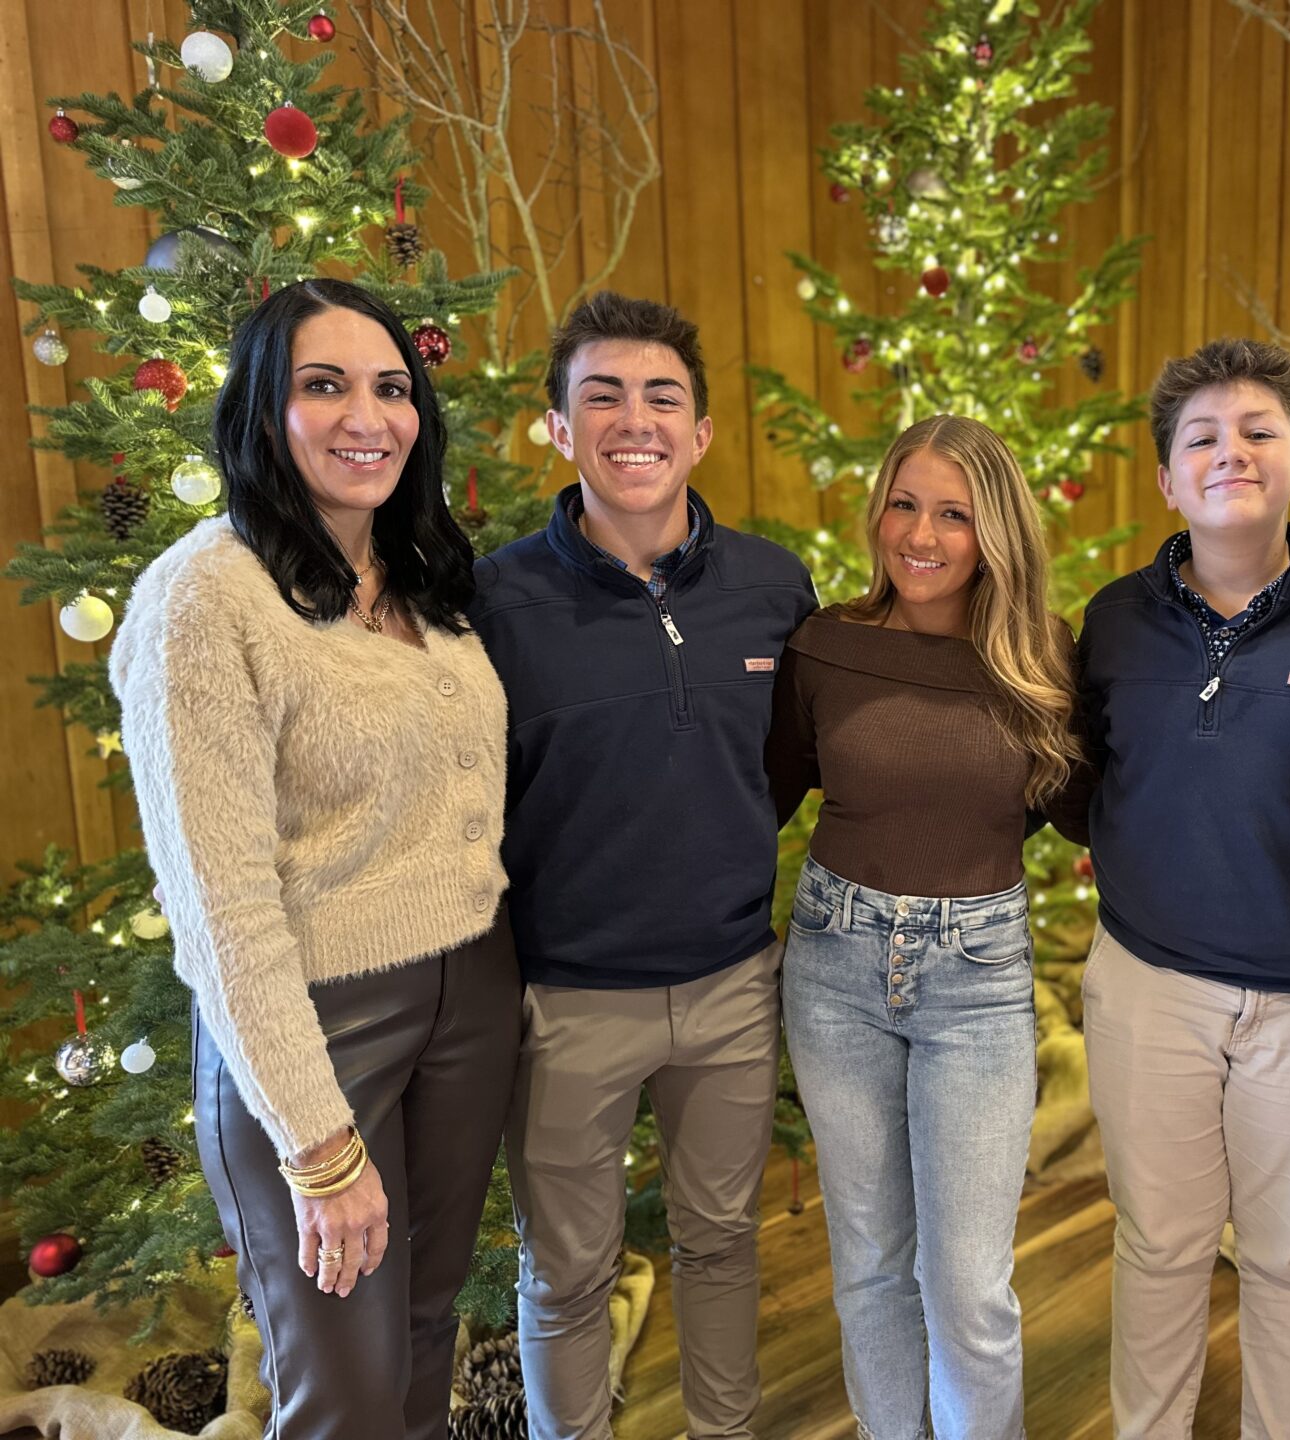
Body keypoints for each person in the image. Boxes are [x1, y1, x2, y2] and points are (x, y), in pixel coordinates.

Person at [110, 279, 518, 1440]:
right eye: (323, 385)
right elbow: (217, 903)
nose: (367, 416)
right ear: (261, 412)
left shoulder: (423, 579)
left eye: (391, 388)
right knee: (342, 1387)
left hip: (473, 993)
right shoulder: (204, 597)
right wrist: (318, 1148)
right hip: (319, 1023)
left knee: (428, 1333)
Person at [466, 293, 815, 1440]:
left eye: (662, 396)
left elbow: (788, 762)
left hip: (729, 988)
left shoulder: (774, 586)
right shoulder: (497, 601)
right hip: (566, 1001)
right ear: (558, 430)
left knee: (719, 1244)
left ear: (701, 432)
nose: (635, 420)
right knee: (568, 1275)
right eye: (601, 395)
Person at [1051, 338, 1290, 1438]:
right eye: (1201, 438)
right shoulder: (1111, 619)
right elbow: (1080, 776)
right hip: (1149, 985)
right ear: (1166, 478)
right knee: (1158, 1243)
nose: (1230, 453)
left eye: (1259, 432)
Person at [766, 414, 1080, 1440]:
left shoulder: (1042, 663)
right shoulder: (826, 645)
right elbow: (764, 791)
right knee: (868, 1264)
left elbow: (1071, 806)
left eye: (955, 512)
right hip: (834, 965)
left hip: (976, 978)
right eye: (905, 503)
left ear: (996, 531)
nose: (923, 534)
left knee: (970, 1287)